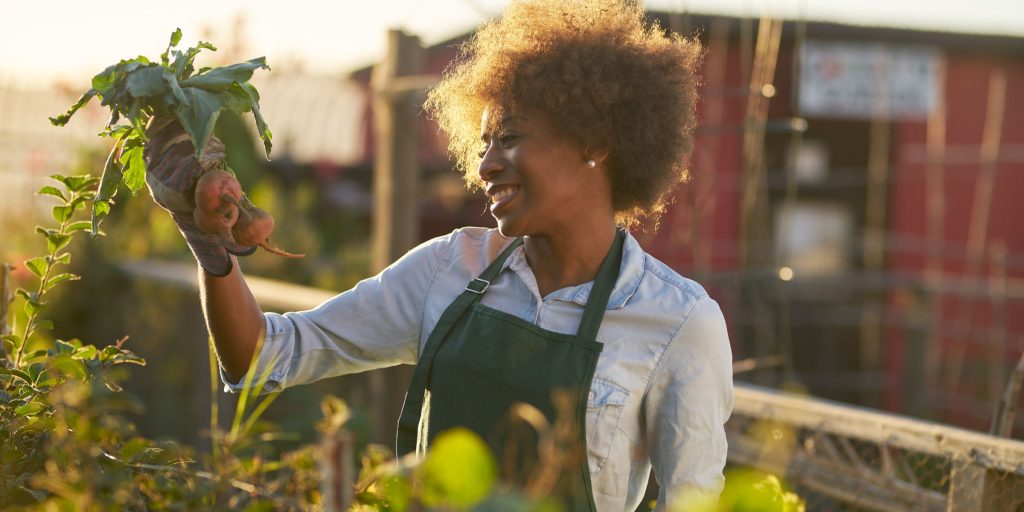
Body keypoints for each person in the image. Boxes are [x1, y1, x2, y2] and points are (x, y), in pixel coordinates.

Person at [144, 0, 733, 510]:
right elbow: (263, 359)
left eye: (509, 136)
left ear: (595, 141)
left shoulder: (680, 323)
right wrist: (210, 244)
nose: (486, 165)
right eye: (481, 145)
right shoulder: (449, 270)